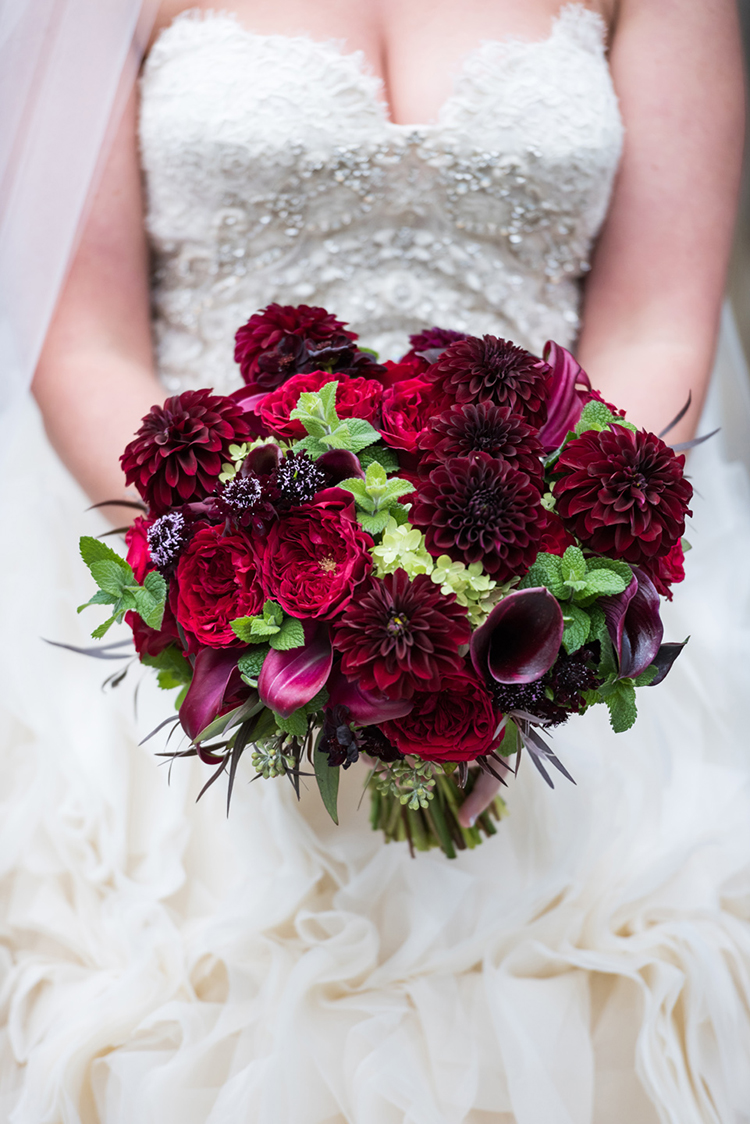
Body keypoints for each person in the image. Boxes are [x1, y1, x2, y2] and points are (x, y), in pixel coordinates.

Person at [1, 1, 750, 1120]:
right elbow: (85, 342)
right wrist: (253, 593)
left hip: (552, 578)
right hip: (196, 581)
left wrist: (527, 618)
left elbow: (651, 324)